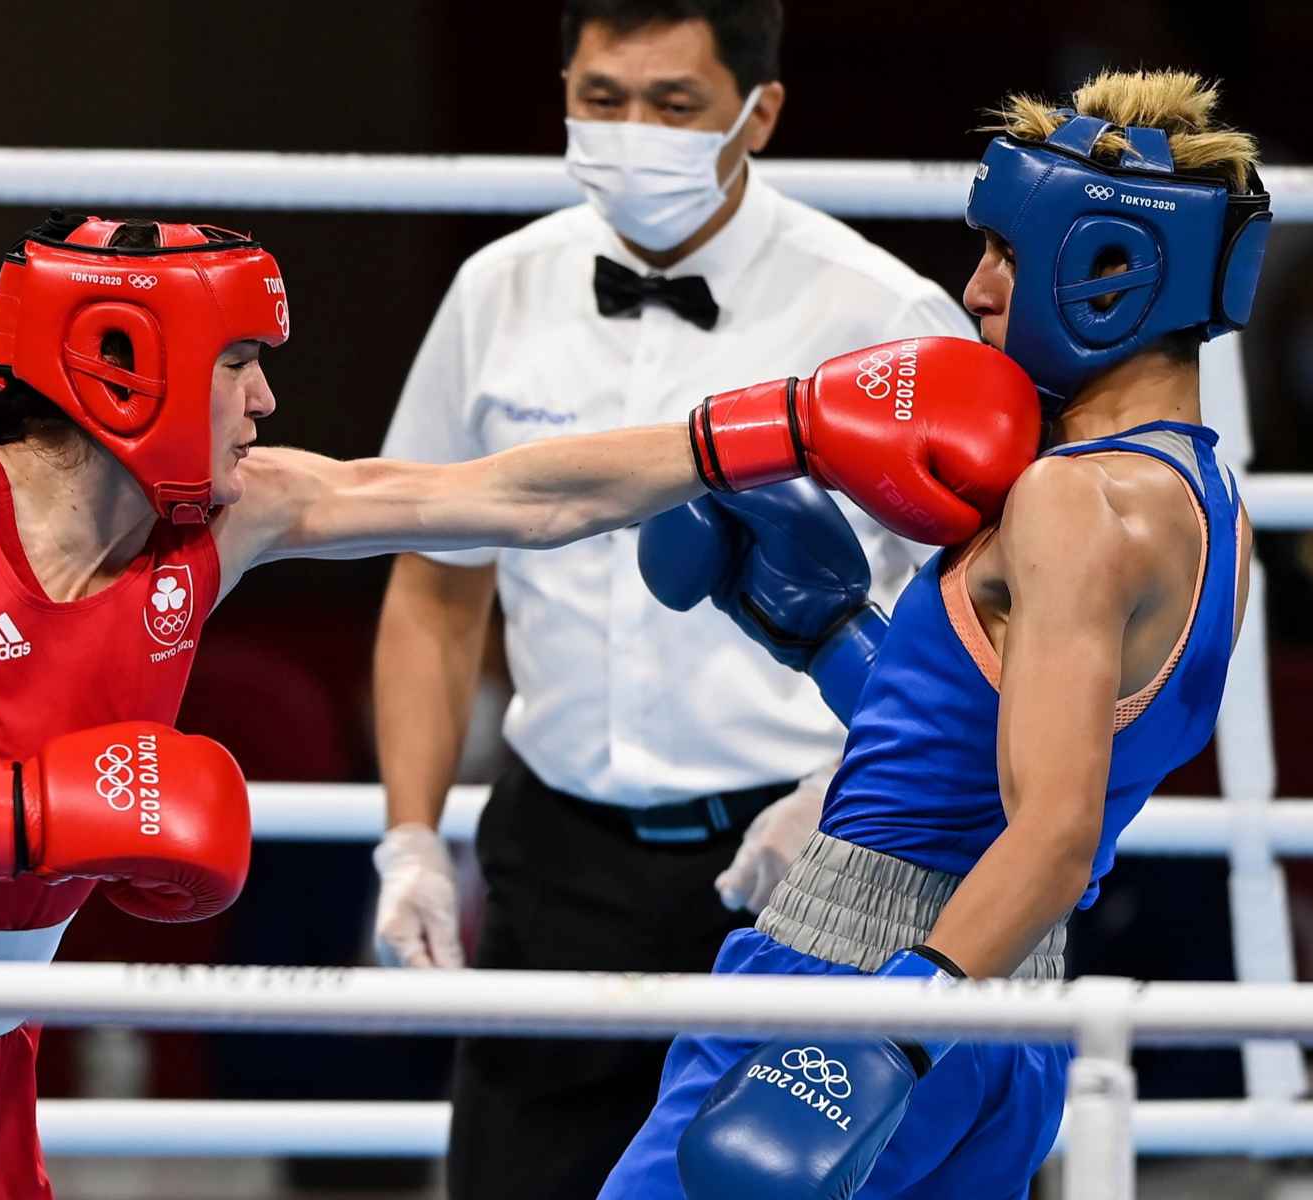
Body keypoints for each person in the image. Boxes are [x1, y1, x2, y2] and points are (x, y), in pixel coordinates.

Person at [0, 211, 1036, 1198]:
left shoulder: (224, 519)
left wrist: (774, 428)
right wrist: (38, 813)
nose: (265, 397)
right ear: (127, 363)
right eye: (238, 361)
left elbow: (510, 496)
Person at [607, 68, 1271, 1198]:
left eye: (1006, 252)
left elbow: (1053, 832)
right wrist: (826, 636)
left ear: (1110, 265)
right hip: (1003, 1012)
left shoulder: (1070, 500)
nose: (976, 289)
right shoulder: (1209, 509)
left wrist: (886, 1034)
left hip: (877, 978)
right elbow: (986, 755)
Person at [367, 3, 976, 1192]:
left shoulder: (883, 317)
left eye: (673, 103)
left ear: (759, 112)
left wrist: (839, 792)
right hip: (554, 856)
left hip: (804, 856)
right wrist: (410, 839)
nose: (632, 128)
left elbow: (971, 618)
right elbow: (434, 588)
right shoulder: (495, 292)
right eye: (601, 97)